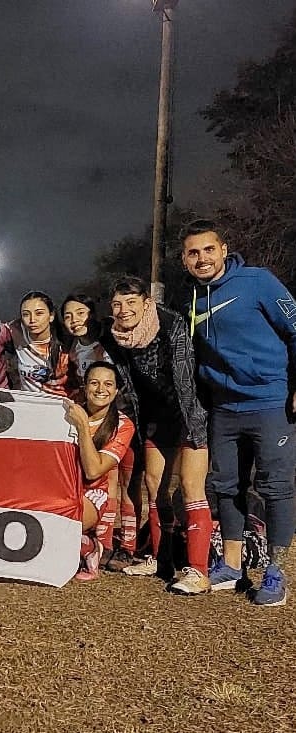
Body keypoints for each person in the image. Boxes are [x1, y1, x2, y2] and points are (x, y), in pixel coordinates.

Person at [182, 219, 296, 605]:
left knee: (275, 486)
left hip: (269, 401)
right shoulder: (192, 298)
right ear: (184, 259)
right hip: (223, 408)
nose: (202, 259)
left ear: (224, 249)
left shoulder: (258, 281)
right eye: (193, 253)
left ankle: (275, 571)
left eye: (208, 249)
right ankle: (232, 565)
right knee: (225, 486)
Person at [107, 276, 213, 594]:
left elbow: (184, 376)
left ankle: (198, 571)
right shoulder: (116, 335)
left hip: (189, 408)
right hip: (155, 414)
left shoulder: (170, 324)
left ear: (146, 303)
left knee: (192, 486)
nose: (124, 310)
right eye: (117, 304)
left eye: (131, 302)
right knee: (155, 485)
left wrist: (192, 427)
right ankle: (160, 557)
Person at [61, 293, 140, 571]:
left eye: (80, 313)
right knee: (105, 478)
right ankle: (101, 544)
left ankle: (125, 546)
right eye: (68, 315)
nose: (74, 320)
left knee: (126, 483)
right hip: (93, 412)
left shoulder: (109, 341)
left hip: (123, 415)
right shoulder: (72, 347)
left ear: (92, 314)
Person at [65, 362, 136, 580]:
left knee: (61, 522)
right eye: (94, 383)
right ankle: (81, 545)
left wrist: (83, 428)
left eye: (108, 384)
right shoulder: (67, 411)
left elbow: (94, 470)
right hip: (61, 486)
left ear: (115, 391)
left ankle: (90, 547)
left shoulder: (123, 426)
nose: (100, 390)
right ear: (84, 387)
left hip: (92, 493)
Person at [8, 291, 70, 396]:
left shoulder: (67, 343)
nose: (32, 320)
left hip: (61, 405)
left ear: (51, 316)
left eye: (39, 313)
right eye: (26, 314)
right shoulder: (16, 332)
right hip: (29, 406)